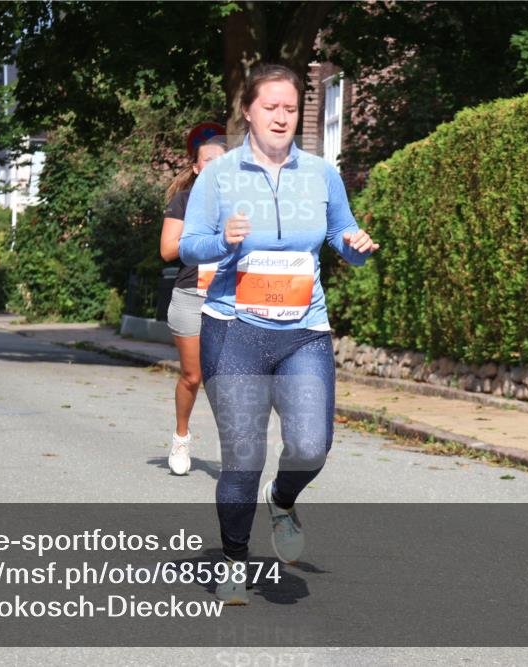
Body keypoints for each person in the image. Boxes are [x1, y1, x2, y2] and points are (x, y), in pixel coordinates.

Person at [180, 64, 379, 605]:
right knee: (242, 457)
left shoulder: (320, 173)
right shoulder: (219, 176)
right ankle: (235, 561)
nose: (281, 117)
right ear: (248, 111)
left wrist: (354, 247)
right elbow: (188, 245)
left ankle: (283, 498)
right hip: (234, 328)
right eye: (271, 107)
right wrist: (221, 240)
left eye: (290, 109)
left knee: (311, 445)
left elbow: (340, 231)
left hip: (304, 329)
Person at [160, 134, 227, 475]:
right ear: (197, 168)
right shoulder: (184, 202)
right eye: (209, 160)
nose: (216, 166)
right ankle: (181, 437)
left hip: (231, 297)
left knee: (226, 377)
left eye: (223, 160)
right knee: (192, 375)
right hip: (192, 295)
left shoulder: (244, 201)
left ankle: (233, 449)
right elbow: (168, 251)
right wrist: (213, 239)